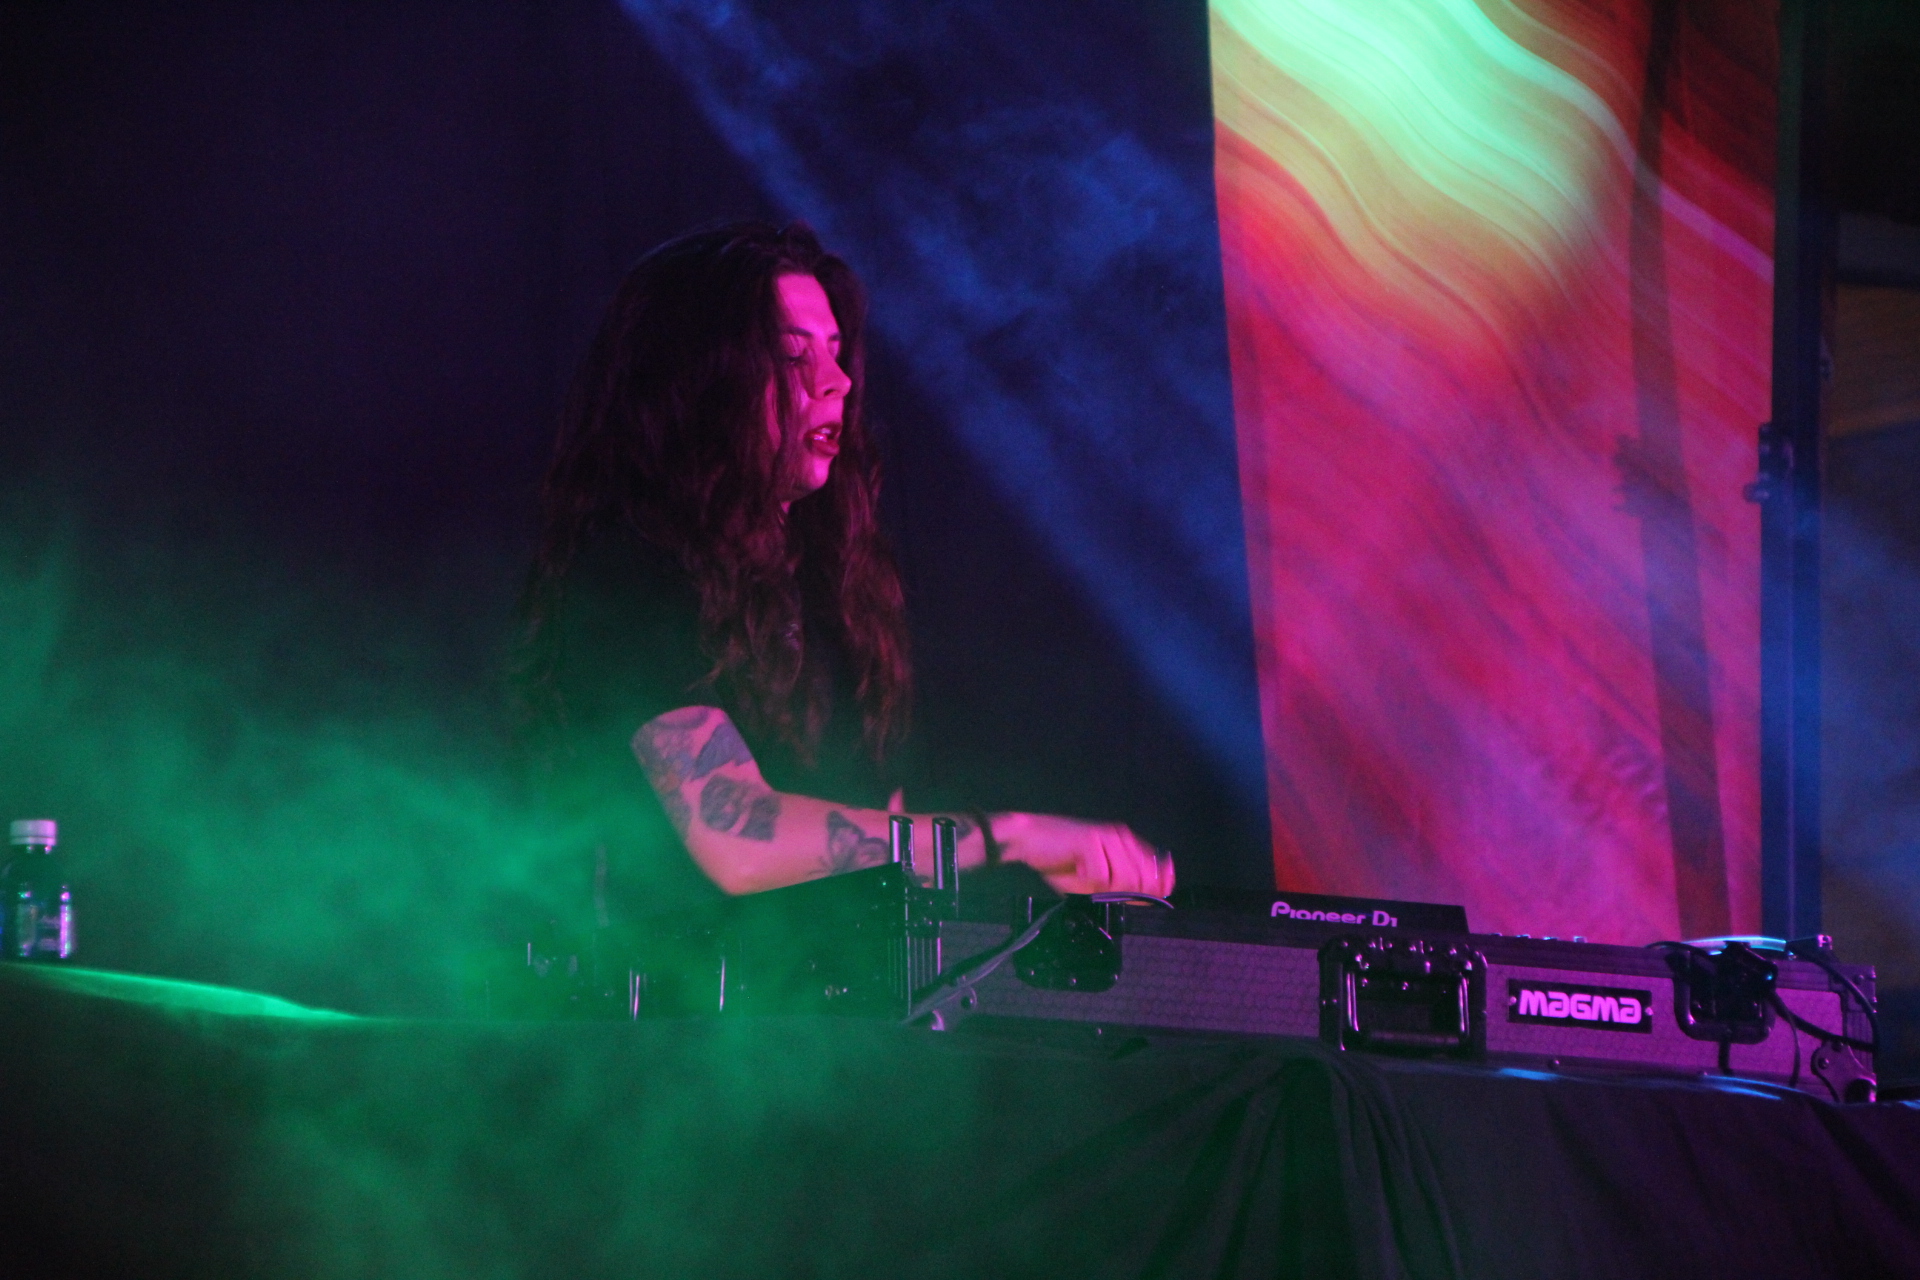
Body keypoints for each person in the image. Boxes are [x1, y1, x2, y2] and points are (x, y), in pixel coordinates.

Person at [515, 221, 1172, 921]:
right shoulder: (633, 569)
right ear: (700, 384)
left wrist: (1038, 879)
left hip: (823, 989)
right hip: (679, 988)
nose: (837, 382)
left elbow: (877, 841)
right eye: (792, 356)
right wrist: (1012, 837)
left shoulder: (832, 584)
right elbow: (736, 840)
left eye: (834, 352)